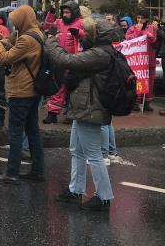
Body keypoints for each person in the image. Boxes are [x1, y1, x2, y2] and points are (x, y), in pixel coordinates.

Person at [47, 15, 115, 212]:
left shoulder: (99, 54)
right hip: (83, 107)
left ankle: (104, 197)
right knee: (76, 151)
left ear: (97, 34)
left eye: (88, 31)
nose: (84, 34)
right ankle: (75, 190)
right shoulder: (100, 50)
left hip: (90, 108)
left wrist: (52, 39)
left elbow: (65, 59)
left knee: (93, 154)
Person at [0, 5, 45, 183]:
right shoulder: (36, 33)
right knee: (32, 130)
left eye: (15, 21)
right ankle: (37, 170)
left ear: (23, 19)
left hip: (21, 90)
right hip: (34, 89)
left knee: (15, 132)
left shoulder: (27, 39)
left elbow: (6, 58)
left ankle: (12, 172)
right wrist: (4, 41)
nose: (13, 24)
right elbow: (17, 51)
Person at [43, 1, 86, 124]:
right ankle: (52, 114)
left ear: (74, 12)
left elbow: (89, 36)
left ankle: (71, 115)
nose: (65, 14)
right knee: (58, 88)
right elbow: (47, 26)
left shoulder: (81, 23)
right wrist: (51, 12)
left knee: (73, 90)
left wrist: (79, 33)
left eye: (67, 12)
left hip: (75, 62)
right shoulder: (59, 22)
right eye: (63, 12)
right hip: (59, 61)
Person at [126, 9, 158, 111]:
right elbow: (128, 40)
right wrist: (138, 31)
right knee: (138, 81)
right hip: (138, 60)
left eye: (142, 18)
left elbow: (154, 42)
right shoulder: (132, 28)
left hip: (149, 59)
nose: (140, 20)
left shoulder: (151, 28)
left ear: (146, 19)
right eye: (138, 18)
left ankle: (147, 102)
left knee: (149, 81)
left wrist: (149, 36)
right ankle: (136, 102)